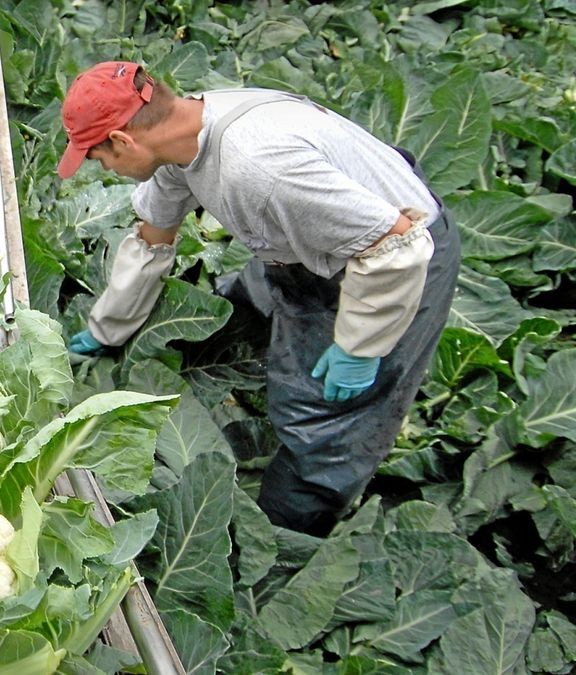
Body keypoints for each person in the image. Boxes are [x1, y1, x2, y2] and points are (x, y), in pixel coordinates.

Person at [59, 61, 461, 536]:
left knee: (324, 424)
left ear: (124, 141)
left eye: (97, 156)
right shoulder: (183, 132)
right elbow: (154, 232)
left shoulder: (259, 170)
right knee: (237, 319)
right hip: (308, 243)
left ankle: (279, 537)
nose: (101, 166)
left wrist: (360, 345)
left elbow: (396, 243)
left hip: (393, 262)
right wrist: (109, 325)